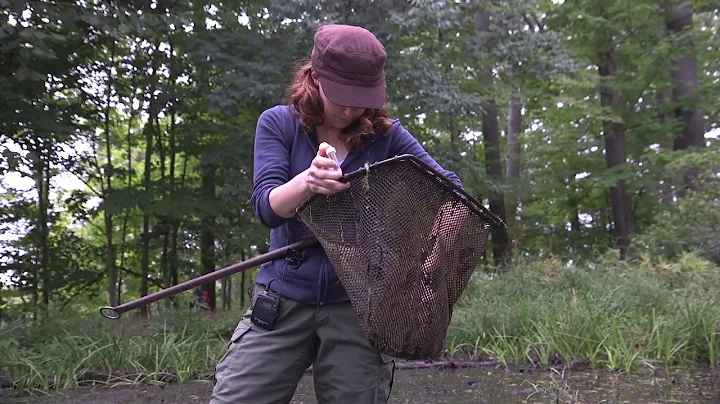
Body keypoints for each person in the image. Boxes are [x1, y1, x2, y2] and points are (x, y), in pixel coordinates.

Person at [209, 24, 463, 404]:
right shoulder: (279, 123)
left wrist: (427, 269)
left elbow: (450, 191)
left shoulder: (387, 137)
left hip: (360, 307)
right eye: (342, 96)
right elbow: (267, 207)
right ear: (314, 77)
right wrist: (307, 182)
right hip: (282, 300)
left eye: (361, 98)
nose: (350, 108)